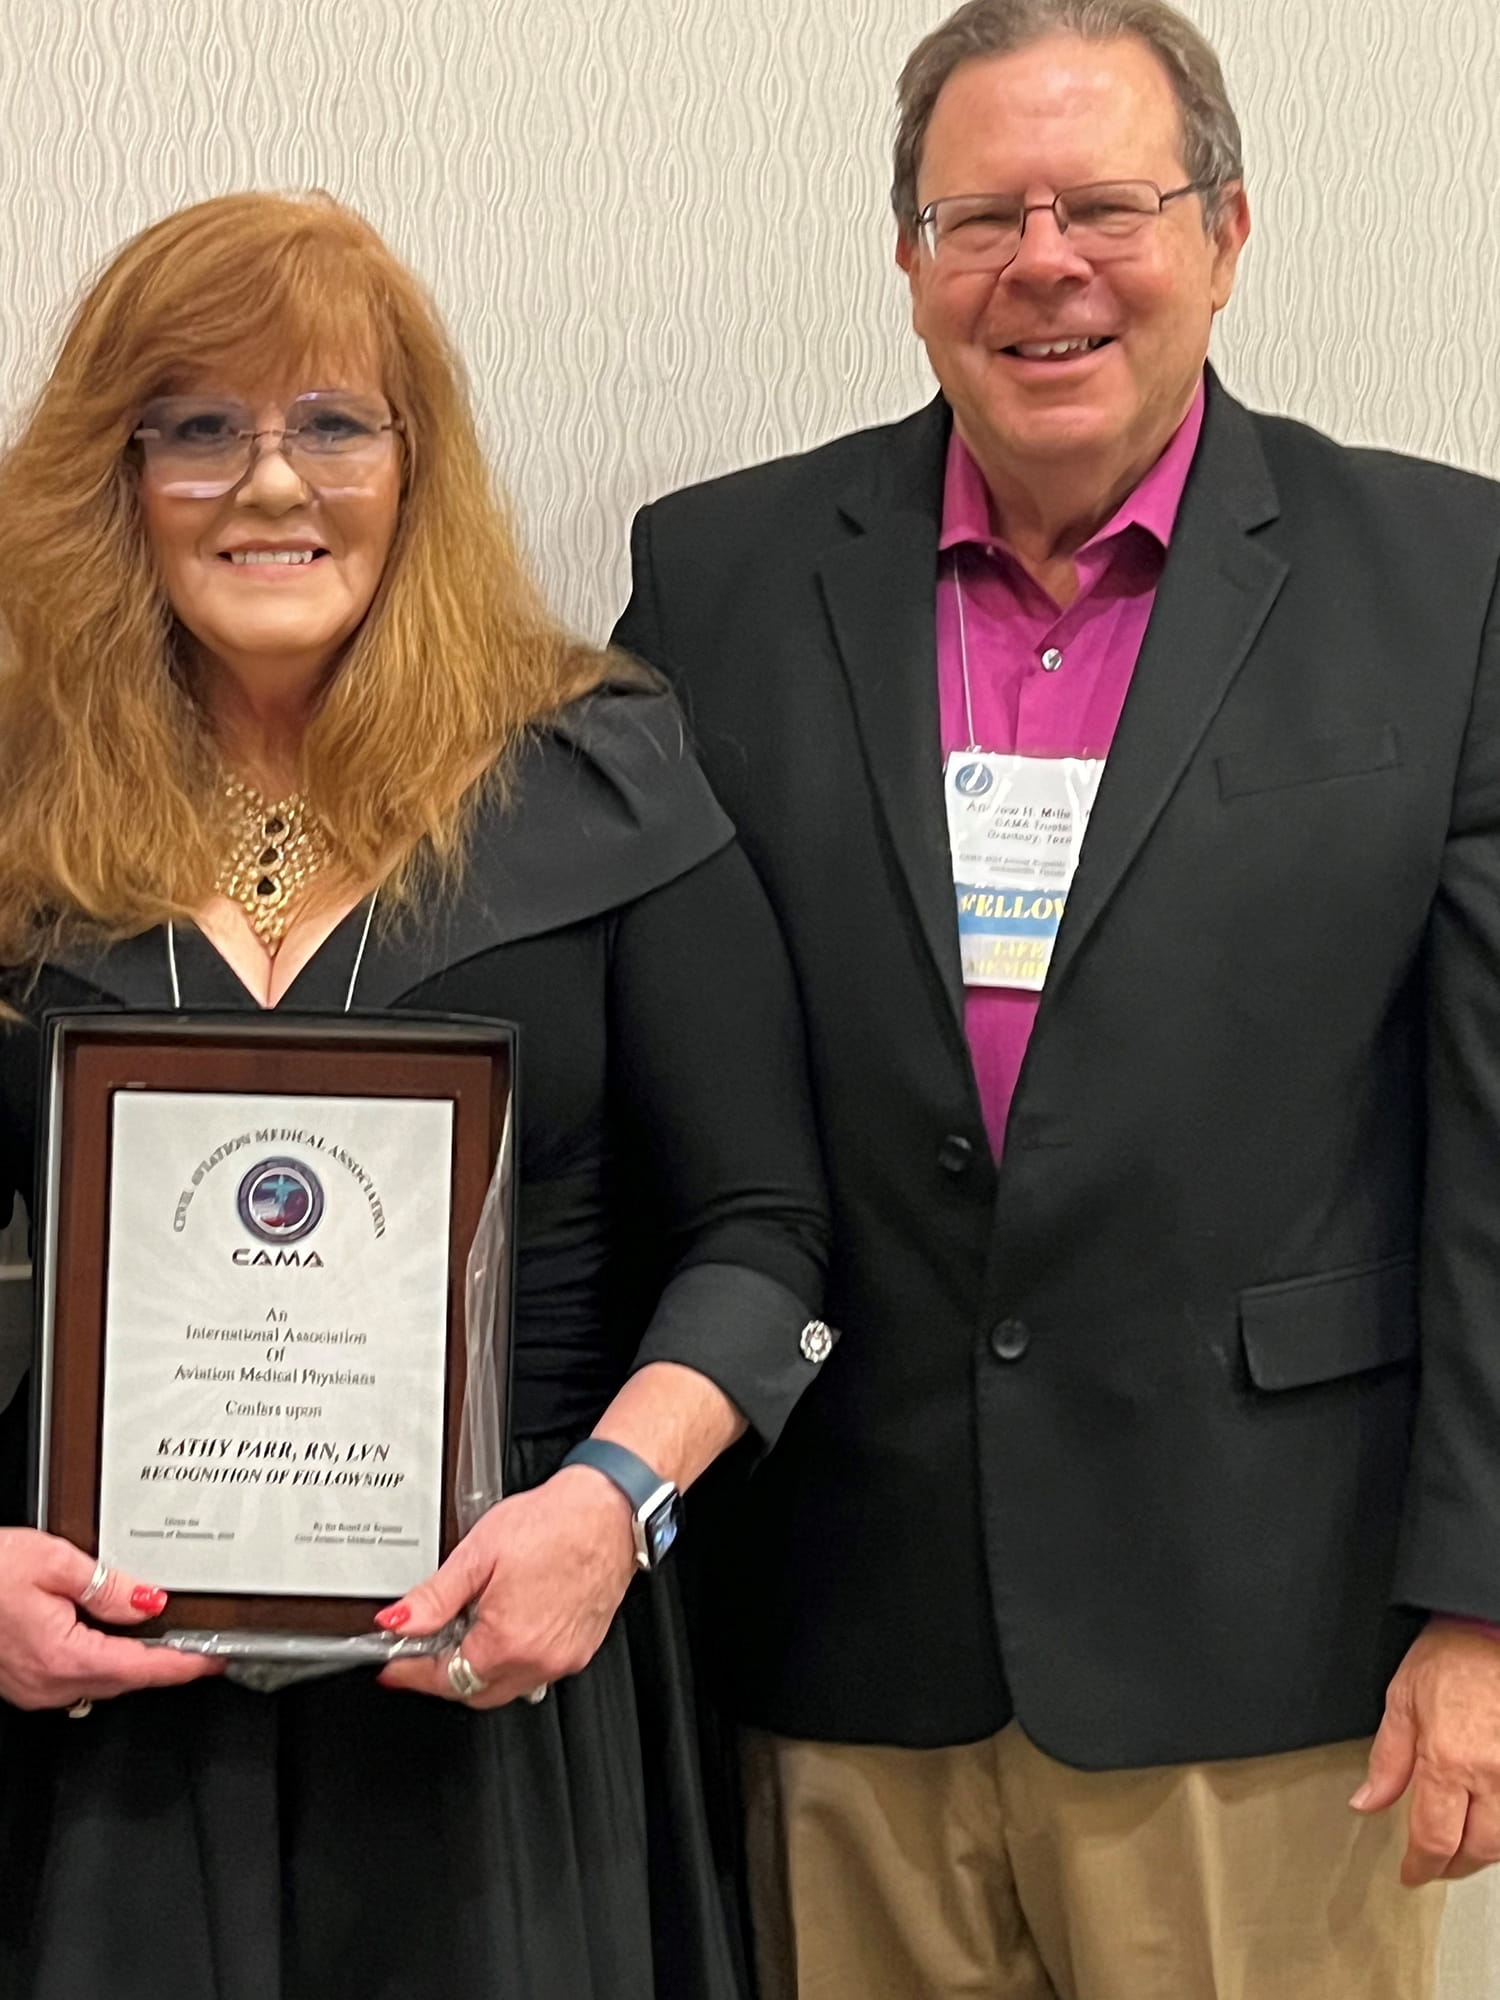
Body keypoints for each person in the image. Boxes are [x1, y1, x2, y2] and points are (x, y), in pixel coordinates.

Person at [612, 2, 1500, 1994]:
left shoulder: (1449, 578)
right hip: (843, 1632)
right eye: (979, 213)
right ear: (909, 257)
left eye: (1104, 203)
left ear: (1227, 229)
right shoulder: (724, 576)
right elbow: (653, 1075)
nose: (1045, 262)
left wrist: (1486, 1607)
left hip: (1274, 1650)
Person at [0, 190, 829, 2000]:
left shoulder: (602, 776)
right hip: (95, 1711)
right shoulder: (14, 812)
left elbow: (766, 1238)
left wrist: (614, 1504)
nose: (270, 484)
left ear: (415, 464)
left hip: (505, 1672)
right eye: (197, 426)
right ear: (112, 474)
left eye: (331, 424)